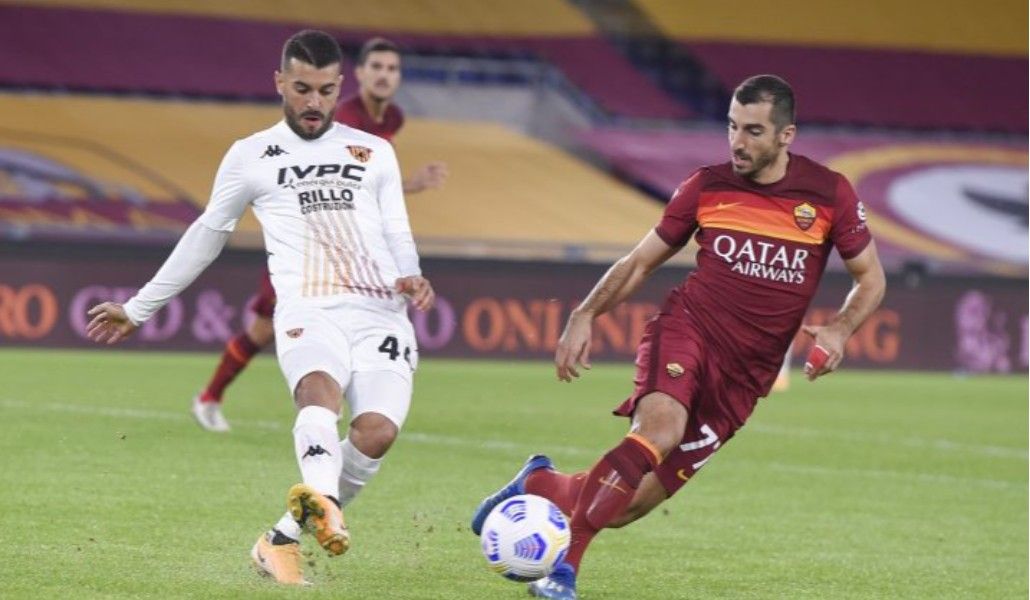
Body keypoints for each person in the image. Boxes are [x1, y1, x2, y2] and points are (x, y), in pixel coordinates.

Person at [470, 75, 886, 599]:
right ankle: (562, 570)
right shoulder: (707, 186)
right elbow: (640, 261)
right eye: (732, 126)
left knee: (629, 506)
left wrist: (841, 329)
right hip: (689, 330)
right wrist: (586, 313)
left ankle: (539, 483)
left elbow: (871, 278)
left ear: (787, 135)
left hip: (744, 379)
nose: (737, 141)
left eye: (753, 131)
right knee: (659, 430)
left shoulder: (828, 194)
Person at [86, 30, 435, 585]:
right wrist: (139, 307)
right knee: (318, 394)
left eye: (325, 90)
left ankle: (280, 540)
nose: (314, 102)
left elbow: (396, 228)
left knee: (376, 433)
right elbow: (207, 234)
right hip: (308, 309)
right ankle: (324, 502)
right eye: (301, 88)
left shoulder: (375, 152)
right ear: (279, 83)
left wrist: (410, 272)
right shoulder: (251, 155)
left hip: (381, 312)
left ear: (339, 86)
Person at [191, 36, 447, 432]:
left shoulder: (391, 119)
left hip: (354, 254)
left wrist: (407, 186)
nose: (384, 75)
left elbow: (364, 188)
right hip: (312, 254)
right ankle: (212, 398)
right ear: (358, 75)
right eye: (376, 67)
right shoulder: (339, 117)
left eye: (392, 68)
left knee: (267, 330)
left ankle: (221, 398)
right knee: (262, 330)